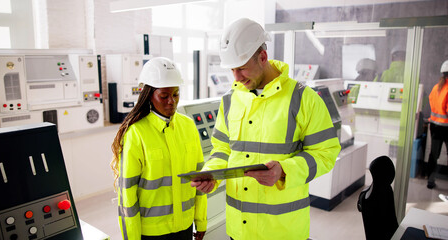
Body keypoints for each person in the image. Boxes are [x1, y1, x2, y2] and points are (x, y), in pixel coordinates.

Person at [191, 18, 341, 240]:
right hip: (239, 230)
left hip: (282, 231)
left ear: (263, 57)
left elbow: (326, 153)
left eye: (241, 68)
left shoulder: (303, 99)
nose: (236, 77)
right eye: (232, 69)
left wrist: (283, 171)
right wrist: (212, 174)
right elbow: (222, 149)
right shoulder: (230, 100)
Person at [110, 57, 207, 240]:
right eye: (164, 96)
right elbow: (127, 195)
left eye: (176, 94)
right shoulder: (136, 133)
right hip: (152, 233)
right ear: (148, 95)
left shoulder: (188, 126)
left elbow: (199, 178)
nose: (171, 101)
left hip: (185, 226)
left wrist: (200, 220)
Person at [426, 60, 448, 189]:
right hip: (446, 127)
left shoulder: (436, 87)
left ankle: (430, 181)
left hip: (434, 126)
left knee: (434, 155)